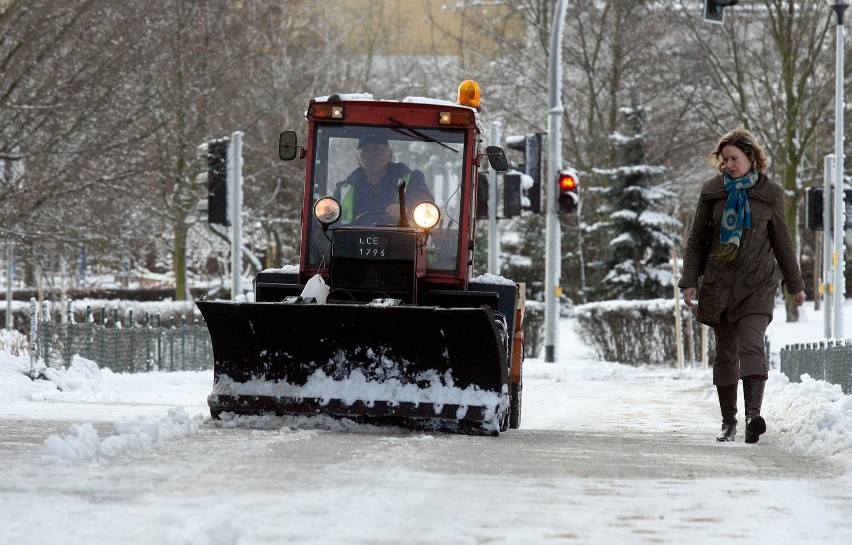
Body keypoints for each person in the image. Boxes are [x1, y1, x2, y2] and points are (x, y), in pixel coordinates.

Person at [679, 128, 805, 444]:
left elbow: (783, 243)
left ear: (751, 157)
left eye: (734, 159)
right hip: (720, 285)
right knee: (725, 354)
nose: (729, 165)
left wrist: (795, 285)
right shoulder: (712, 192)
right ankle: (728, 422)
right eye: (725, 160)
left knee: (750, 343)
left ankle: (752, 417)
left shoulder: (770, 194)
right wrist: (689, 281)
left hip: (758, 284)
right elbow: (697, 241)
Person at [334, 134, 433, 224]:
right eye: (365, 151)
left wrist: (405, 205)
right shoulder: (344, 189)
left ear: (389, 155)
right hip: (352, 241)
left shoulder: (411, 178)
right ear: (358, 158)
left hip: (401, 240)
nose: (371, 156)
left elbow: (425, 198)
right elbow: (331, 218)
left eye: (378, 151)